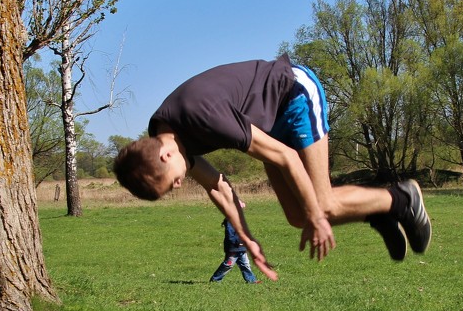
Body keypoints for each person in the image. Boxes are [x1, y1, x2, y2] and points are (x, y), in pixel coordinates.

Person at [113, 55, 432, 281]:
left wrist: (319, 218)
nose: (179, 186)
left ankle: (403, 199)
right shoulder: (164, 135)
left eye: (171, 184)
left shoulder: (204, 116)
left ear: (166, 157)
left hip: (292, 95)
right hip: (268, 125)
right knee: (297, 217)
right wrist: (247, 238)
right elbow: (217, 187)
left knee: (320, 206)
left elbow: (288, 158)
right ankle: (377, 211)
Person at [210, 219, 259, 283]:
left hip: (242, 247)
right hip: (234, 247)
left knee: (245, 264)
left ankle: (251, 280)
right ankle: (215, 279)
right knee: (228, 264)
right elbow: (230, 234)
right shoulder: (230, 220)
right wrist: (237, 242)